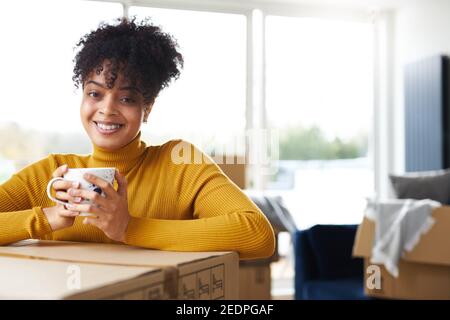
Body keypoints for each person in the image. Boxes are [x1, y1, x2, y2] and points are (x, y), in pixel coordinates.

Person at [0, 17, 275, 260]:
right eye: (94, 94)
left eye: (127, 98)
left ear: (148, 107)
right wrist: (49, 218)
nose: (107, 109)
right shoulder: (52, 175)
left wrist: (129, 227)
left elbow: (257, 234)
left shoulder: (179, 165)